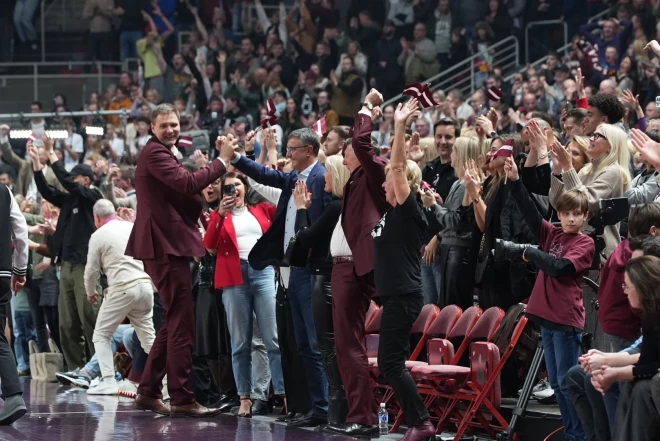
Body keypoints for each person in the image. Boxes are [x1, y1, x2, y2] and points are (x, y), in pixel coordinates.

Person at [125, 103, 234, 417]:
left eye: (174, 124)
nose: (171, 130)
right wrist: (221, 161)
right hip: (165, 246)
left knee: (173, 322)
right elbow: (187, 185)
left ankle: (147, 392)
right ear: (152, 127)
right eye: (165, 126)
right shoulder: (156, 153)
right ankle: (183, 398)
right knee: (182, 324)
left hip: (167, 244)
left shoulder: (163, 153)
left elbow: (184, 194)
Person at [227, 126, 332, 427]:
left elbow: (322, 226)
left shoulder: (321, 178)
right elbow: (264, 176)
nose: (288, 153)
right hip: (288, 269)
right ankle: (313, 406)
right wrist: (236, 157)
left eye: (293, 148)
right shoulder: (294, 178)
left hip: (308, 269)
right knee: (300, 344)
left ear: (309, 151)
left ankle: (324, 407)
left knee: (312, 344)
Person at [504, 155, 595, 441]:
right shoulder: (553, 234)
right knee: (557, 383)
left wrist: (531, 252)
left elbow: (558, 268)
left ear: (585, 217)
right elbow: (530, 213)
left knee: (568, 384)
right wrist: (516, 181)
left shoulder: (585, 242)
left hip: (566, 321)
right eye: (565, 213)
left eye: (576, 214)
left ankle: (578, 436)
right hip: (547, 319)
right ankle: (572, 433)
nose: (569, 218)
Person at [373, 97, 432, 441]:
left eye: (389, 181)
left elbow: (396, 170)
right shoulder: (390, 214)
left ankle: (422, 423)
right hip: (393, 296)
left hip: (405, 295)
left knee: (390, 363)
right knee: (390, 363)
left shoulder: (410, 213)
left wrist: (398, 126)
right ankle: (418, 421)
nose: (384, 185)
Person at [203, 172, 284, 418]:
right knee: (240, 343)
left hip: (262, 272)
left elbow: (283, 204)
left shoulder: (262, 209)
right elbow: (210, 246)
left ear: (245, 188)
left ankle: (282, 395)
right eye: (227, 187)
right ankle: (245, 397)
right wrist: (219, 214)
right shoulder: (219, 215)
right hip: (233, 276)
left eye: (236, 185)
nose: (232, 190)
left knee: (272, 339)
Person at [28, 136, 104, 371]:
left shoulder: (94, 198)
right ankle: (76, 370)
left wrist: (52, 156)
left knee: (89, 317)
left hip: (86, 265)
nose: (70, 181)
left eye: (76, 177)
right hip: (66, 266)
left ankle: (99, 368)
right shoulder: (70, 199)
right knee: (67, 322)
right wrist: (37, 166)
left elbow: (67, 183)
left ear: (86, 180)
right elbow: (47, 190)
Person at [290, 155, 352, 428]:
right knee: (323, 346)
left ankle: (333, 410)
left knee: (325, 346)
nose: (323, 178)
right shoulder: (342, 205)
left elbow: (306, 237)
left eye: (327, 173)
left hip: (324, 277)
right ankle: (330, 410)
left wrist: (302, 209)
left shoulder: (336, 206)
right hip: (327, 275)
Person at [83, 200, 156, 395]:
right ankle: (166, 383)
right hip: (145, 286)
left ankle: (108, 381)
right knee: (149, 340)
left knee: (101, 335)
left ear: (96, 218)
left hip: (122, 288)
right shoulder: (131, 226)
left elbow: (91, 271)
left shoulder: (97, 235)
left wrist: (91, 292)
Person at [550, 124, 631, 259]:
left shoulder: (613, 172)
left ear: (611, 146)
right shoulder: (586, 169)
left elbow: (587, 202)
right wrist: (558, 170)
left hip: (600, 251)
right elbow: (558, 203)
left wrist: (568, 166)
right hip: (579, 244)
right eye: (592, 134)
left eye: (597, 136)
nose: (591, 139)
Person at [421, 137, 482, 308]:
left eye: (454, 150)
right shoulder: (459, 183)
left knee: (453, 307)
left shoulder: (464, 185)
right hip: (452, 249)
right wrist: (440, 204)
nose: (451, 154)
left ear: (461, 155)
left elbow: (456, 222)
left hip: (458, 251)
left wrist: (433, 206)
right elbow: (456, 216)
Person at [0, 183, 28, 425]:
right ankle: (12, 396)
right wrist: (19, 269)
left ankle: (12, 396)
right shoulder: (4, 191)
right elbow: (21, 231)